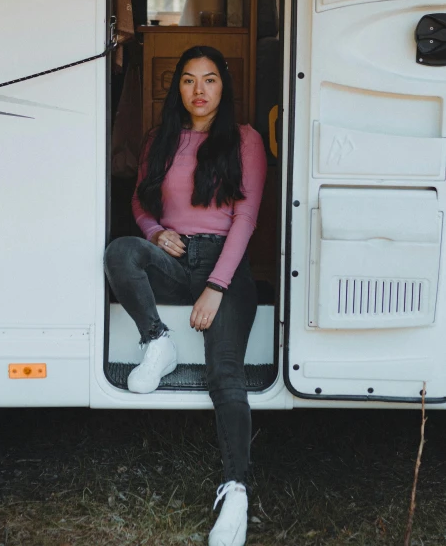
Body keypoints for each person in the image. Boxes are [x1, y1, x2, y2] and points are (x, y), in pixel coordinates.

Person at [104, 45, 267, 546]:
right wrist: (154, 232)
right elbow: (139, 198)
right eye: (190, 80)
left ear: (225, 86)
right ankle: (158, 342)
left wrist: (216, 287)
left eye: (211, 79)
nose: (200, 91)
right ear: (178, 87)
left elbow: (246, 217)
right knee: (121, 252)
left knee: (225, 374)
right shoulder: (162, 139)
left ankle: (235, 491)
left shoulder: (245, 139)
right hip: (173, 259)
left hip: (225, 265)